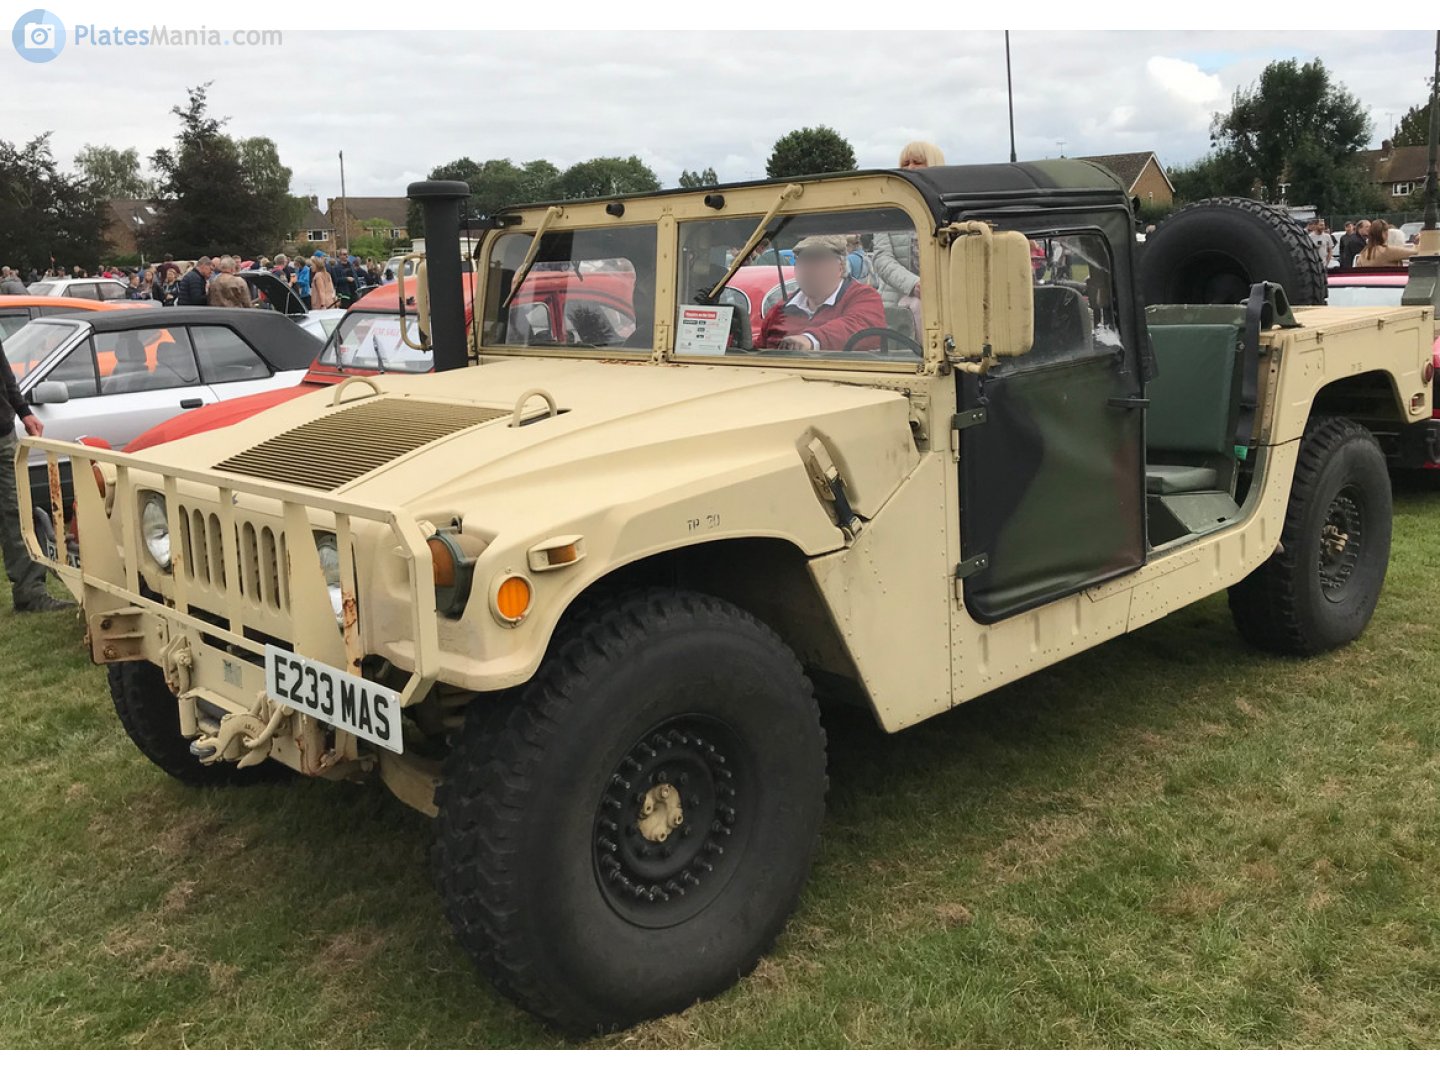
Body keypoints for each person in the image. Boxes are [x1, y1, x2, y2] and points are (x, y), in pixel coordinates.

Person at [0, 339, 74, 613]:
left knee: (17, 512)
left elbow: (4, 371)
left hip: (3, 433)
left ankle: (30, 593)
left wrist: (23, 411)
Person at [755, 234, 886, 351]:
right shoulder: (779, 310)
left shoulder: (863, 297)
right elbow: (756, 353)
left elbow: (863, 328)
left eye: (817, 262)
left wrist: (810, 340)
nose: (808, 270)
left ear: (840, 268)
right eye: (803, 261)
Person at [872, 141, 944, 334]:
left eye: (918, 162)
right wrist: (914, 285)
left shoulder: (950, 209)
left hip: (945, 303)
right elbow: (881, 258)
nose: (910, 168)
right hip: (896, 308)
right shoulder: (888, 208)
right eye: (905, 163)